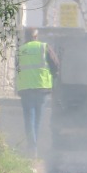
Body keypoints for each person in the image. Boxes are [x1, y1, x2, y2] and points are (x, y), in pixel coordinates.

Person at [15, 27, 59, 157]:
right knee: (38, 118)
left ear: (26, 37)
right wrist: (54, 78)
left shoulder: (20, 50)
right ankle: (34, 147)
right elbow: (56, 65)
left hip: (26, 89)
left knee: (29, 118)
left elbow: (17, 69)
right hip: (42, 88)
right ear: (36, 36)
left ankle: (32, 147)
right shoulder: (44, 47)